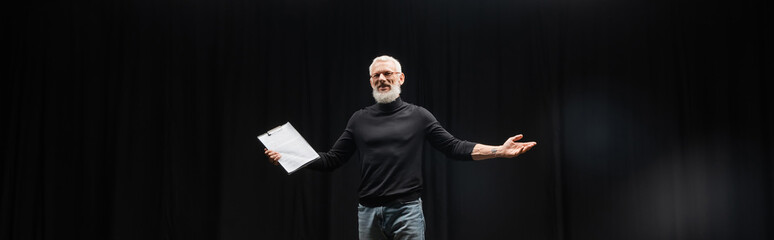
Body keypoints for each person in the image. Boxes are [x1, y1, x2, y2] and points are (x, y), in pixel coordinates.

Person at [264, 55, 537, 240]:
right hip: (367, 213)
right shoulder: (359, 119)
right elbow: (332, 160)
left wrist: (499, 151)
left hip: (406, 211)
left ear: (401, 78)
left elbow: (454, 147)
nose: (382, 79)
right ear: (370, 81)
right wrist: (289, 154)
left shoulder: (419, 115)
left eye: (388, 74)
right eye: (376, 76)